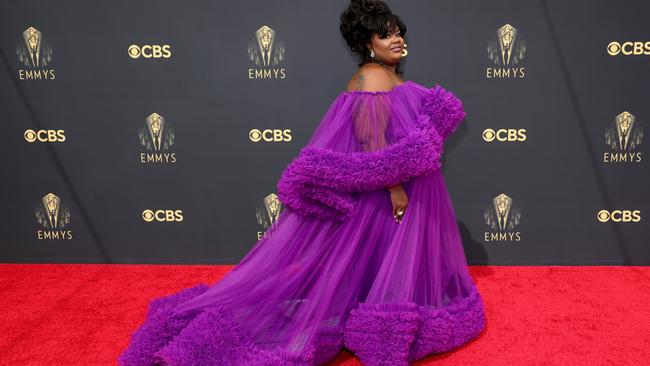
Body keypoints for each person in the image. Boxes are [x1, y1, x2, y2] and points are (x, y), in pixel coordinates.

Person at [118, 1, 486, 365]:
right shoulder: (372, 77)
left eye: (398, 31)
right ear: (366, 42)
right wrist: (395, 188)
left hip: (391, 193)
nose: (397, 38)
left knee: (374, 265)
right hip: (383, 196)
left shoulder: (389, 76)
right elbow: (370, 138)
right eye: (385, 33)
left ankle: (372, 318)